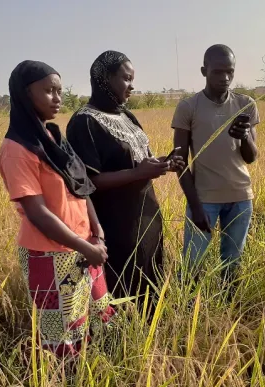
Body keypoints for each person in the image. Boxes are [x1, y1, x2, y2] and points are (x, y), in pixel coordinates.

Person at [0, 60, 116, 363]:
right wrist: (83, 246)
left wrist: (97, 233)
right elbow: (37, 213)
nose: (57, 98)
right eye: (48, 91)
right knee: (62, 333)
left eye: (59, 91)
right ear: (25, 95)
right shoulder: (17, 149)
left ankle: (94, 381)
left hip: (85, 245)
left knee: (97, 316)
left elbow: (82, 188)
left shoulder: (53, 139)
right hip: (49, 255)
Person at [67, 51, 183, 313]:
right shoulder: (84, 122)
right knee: (123, 293)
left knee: (150, 288)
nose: (132, 86)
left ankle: (148, 340)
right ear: (105, 79)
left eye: (133, 80)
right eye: (126, 79)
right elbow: (87, 182)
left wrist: (164, 162)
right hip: (116, 225)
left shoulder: (127, 117)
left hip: (146, 219)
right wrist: (138, 174)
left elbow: (141, 161)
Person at [172, 44, 260, 288]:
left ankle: (228, 314)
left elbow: (251, 157)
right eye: (218, 72)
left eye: (230, 72)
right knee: (192, 266)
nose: (225, 78)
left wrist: (243, 136)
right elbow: (180, 162)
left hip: (241, 198)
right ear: (204, 71)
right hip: (204, 200)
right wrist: (195, 206)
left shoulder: (246, 104)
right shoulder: (189, 107)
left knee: (232, 264)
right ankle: (187, 315)